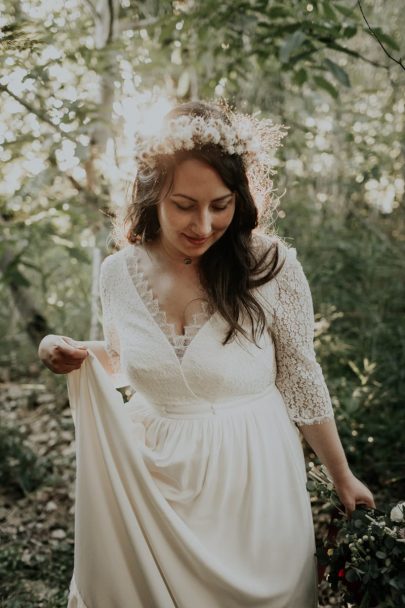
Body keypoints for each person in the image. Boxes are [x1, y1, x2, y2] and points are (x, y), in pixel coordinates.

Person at [38, 100, 375, 608]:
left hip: (252, 479)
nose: (203, 223)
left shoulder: (269, 265)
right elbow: (129, 357)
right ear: (152, 194)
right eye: (184, 205)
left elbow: (301, 376)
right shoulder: (117, 273)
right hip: (153, 483)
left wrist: (342, 476)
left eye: (220, 204)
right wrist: (59, 348)